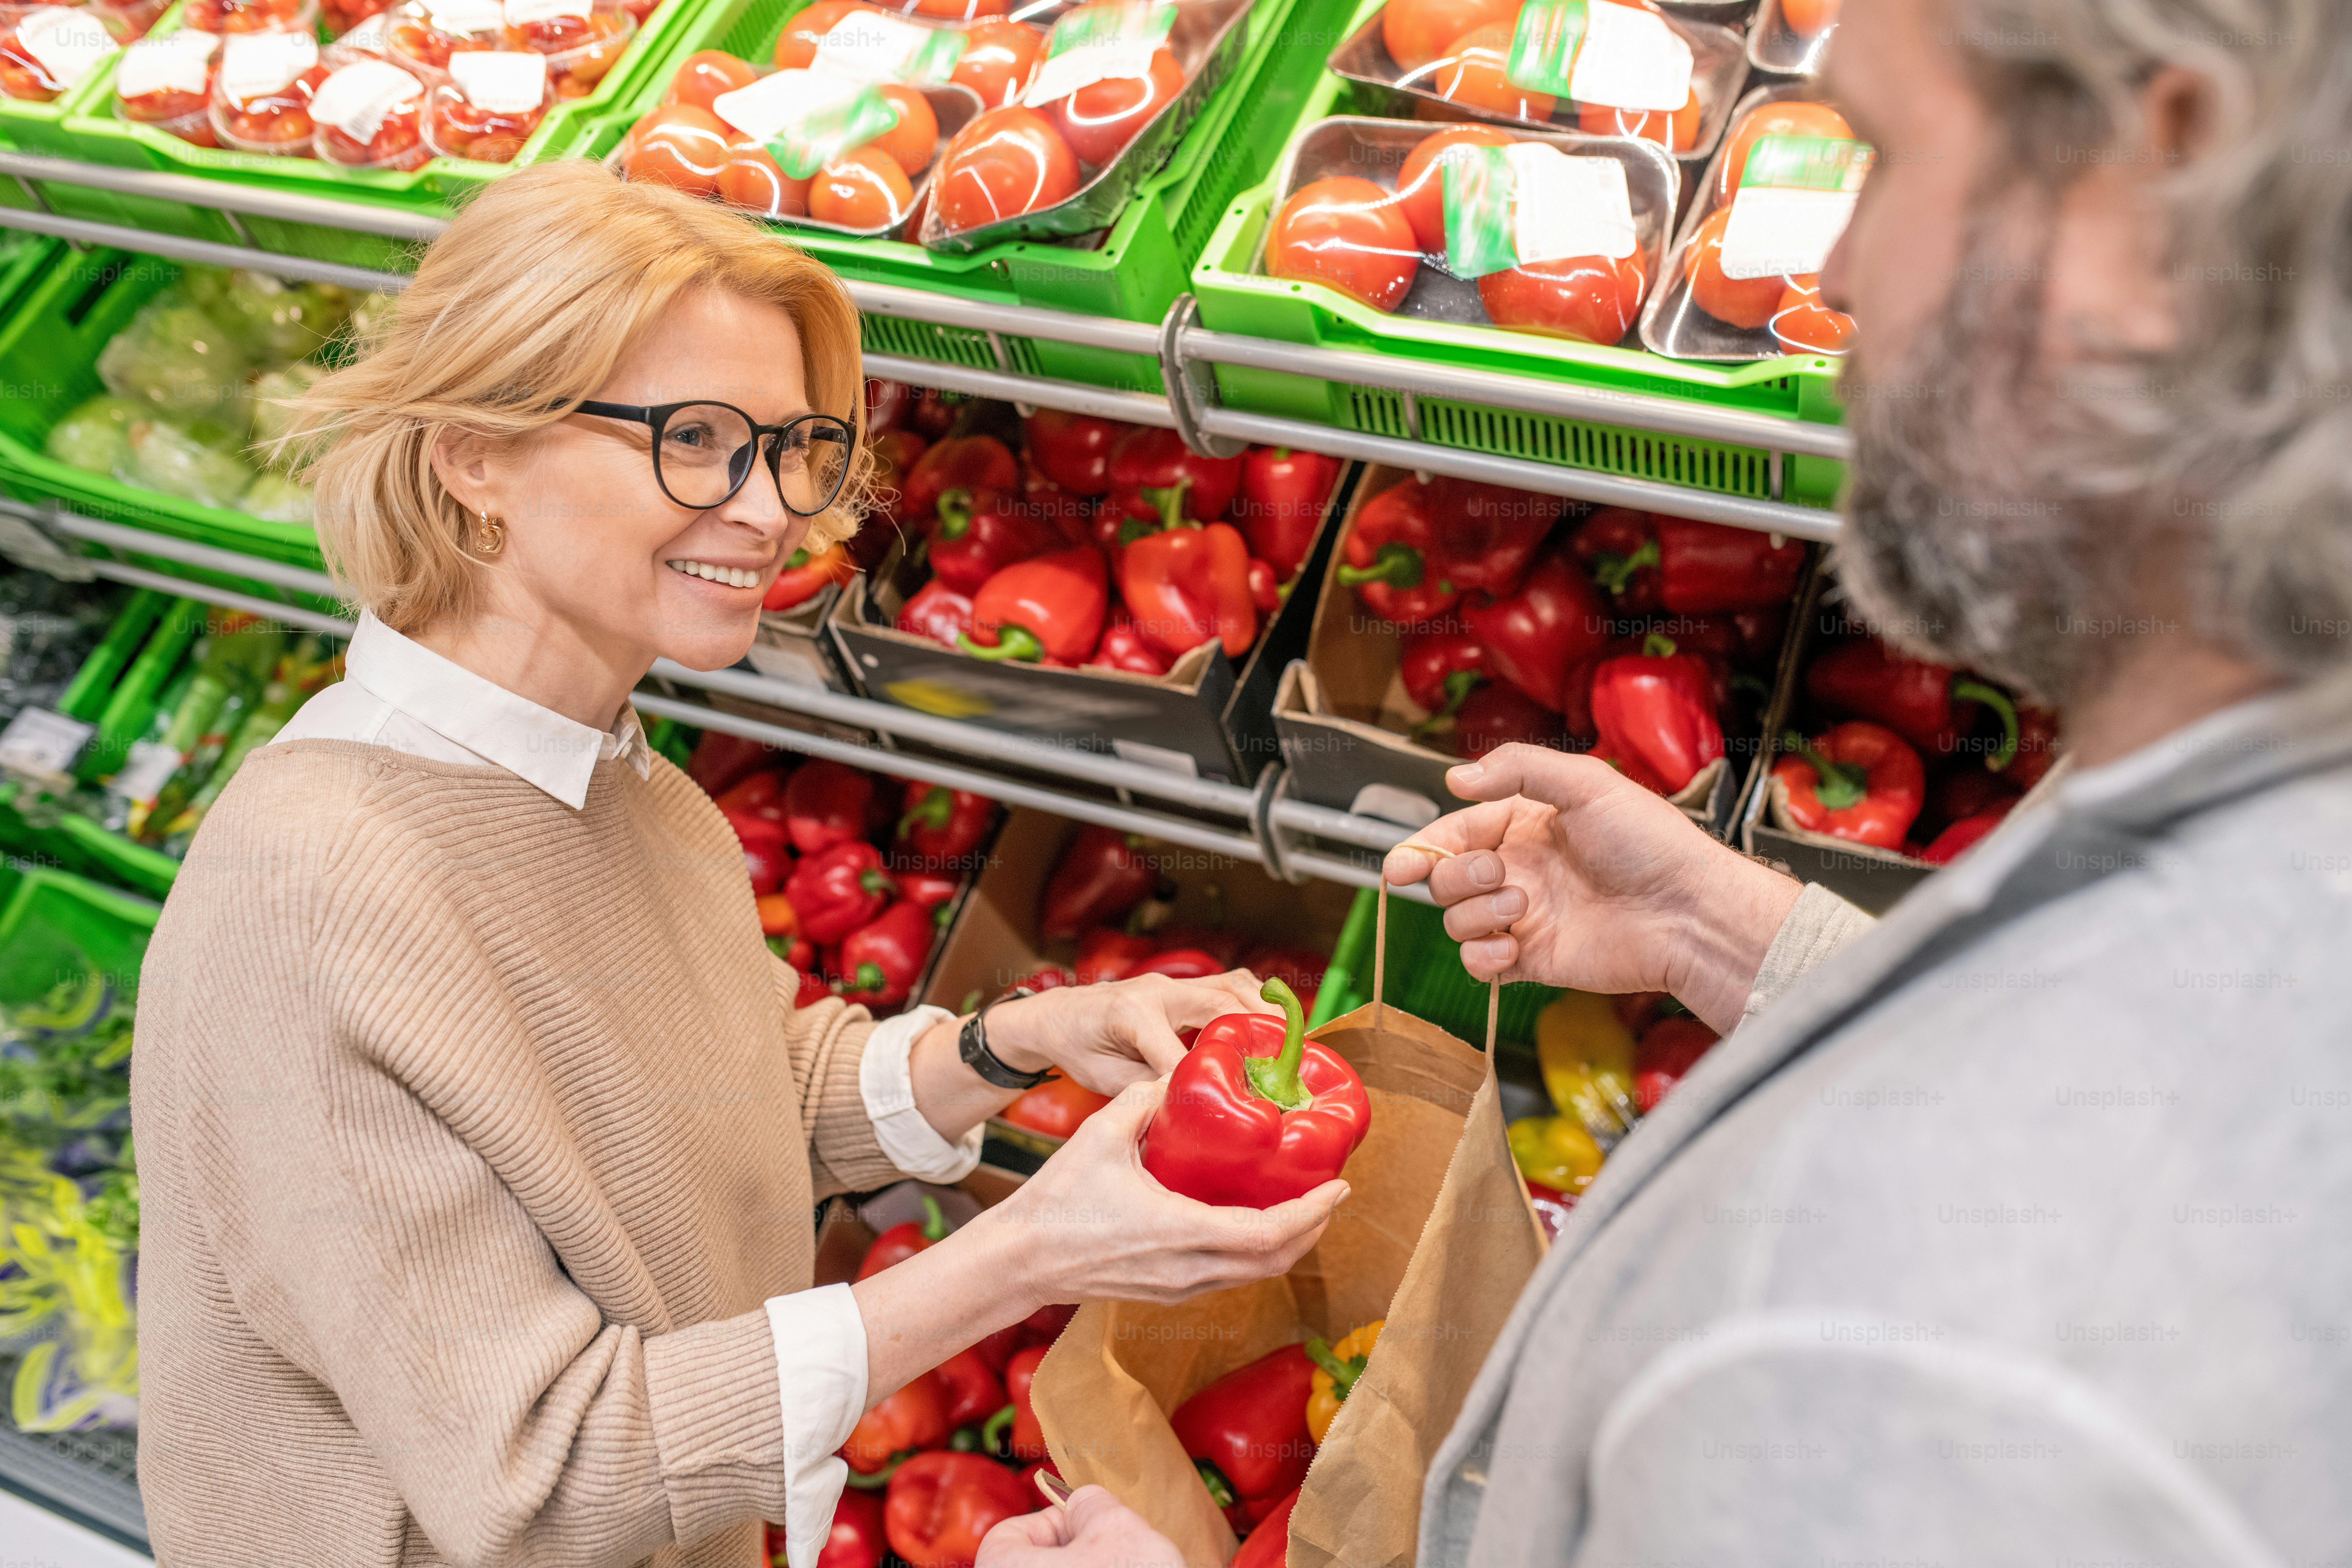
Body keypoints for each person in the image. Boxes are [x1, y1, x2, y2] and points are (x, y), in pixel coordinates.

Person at [976, 0, 2352, 1563]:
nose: (1836, 275)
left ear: (2150, 187)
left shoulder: (1924, 1359)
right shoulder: (2261, 808)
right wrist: (1723, 931)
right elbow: (2098, 1085)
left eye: (1891, 159)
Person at [128, 162, 1343, 1568]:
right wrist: (1025, 1253)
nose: (769, 512)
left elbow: (736, 1095)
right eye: (697, 439)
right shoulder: (310, 900)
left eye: (793, 449)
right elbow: (542, 1475)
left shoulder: (628, 789)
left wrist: (1017, 1041)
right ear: (475, 451)